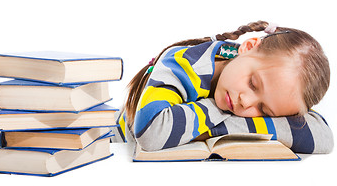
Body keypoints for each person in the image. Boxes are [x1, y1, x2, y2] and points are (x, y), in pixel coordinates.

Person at [115, 20, 333, 153]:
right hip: (114, 147)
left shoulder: (273, 83)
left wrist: (200, 128)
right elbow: (151, 131)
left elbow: (323, 138)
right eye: (253, 84)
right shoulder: (184, 63)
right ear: (248, 47)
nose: (245, 102)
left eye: (265, 111)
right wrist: (219, 112)